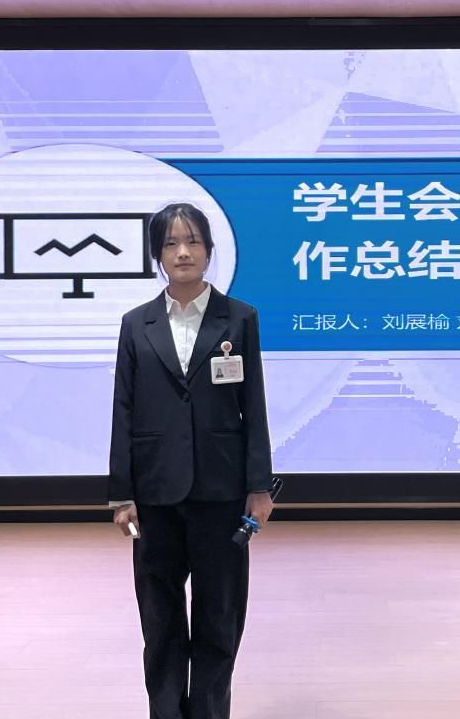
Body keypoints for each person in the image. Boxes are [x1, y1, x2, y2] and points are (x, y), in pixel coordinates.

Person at [107, 202, 275, 719]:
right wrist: (121, 494)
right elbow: (123, 408)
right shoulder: (136, 324)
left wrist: (259, 486)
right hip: (155, 493)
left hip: (222, 492)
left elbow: (254, 406)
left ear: (208, 249)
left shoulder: (239, 318)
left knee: (219, 617)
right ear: (157, 255)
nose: (183, 252)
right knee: (159, 620)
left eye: (193, 241)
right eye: (171, 243)